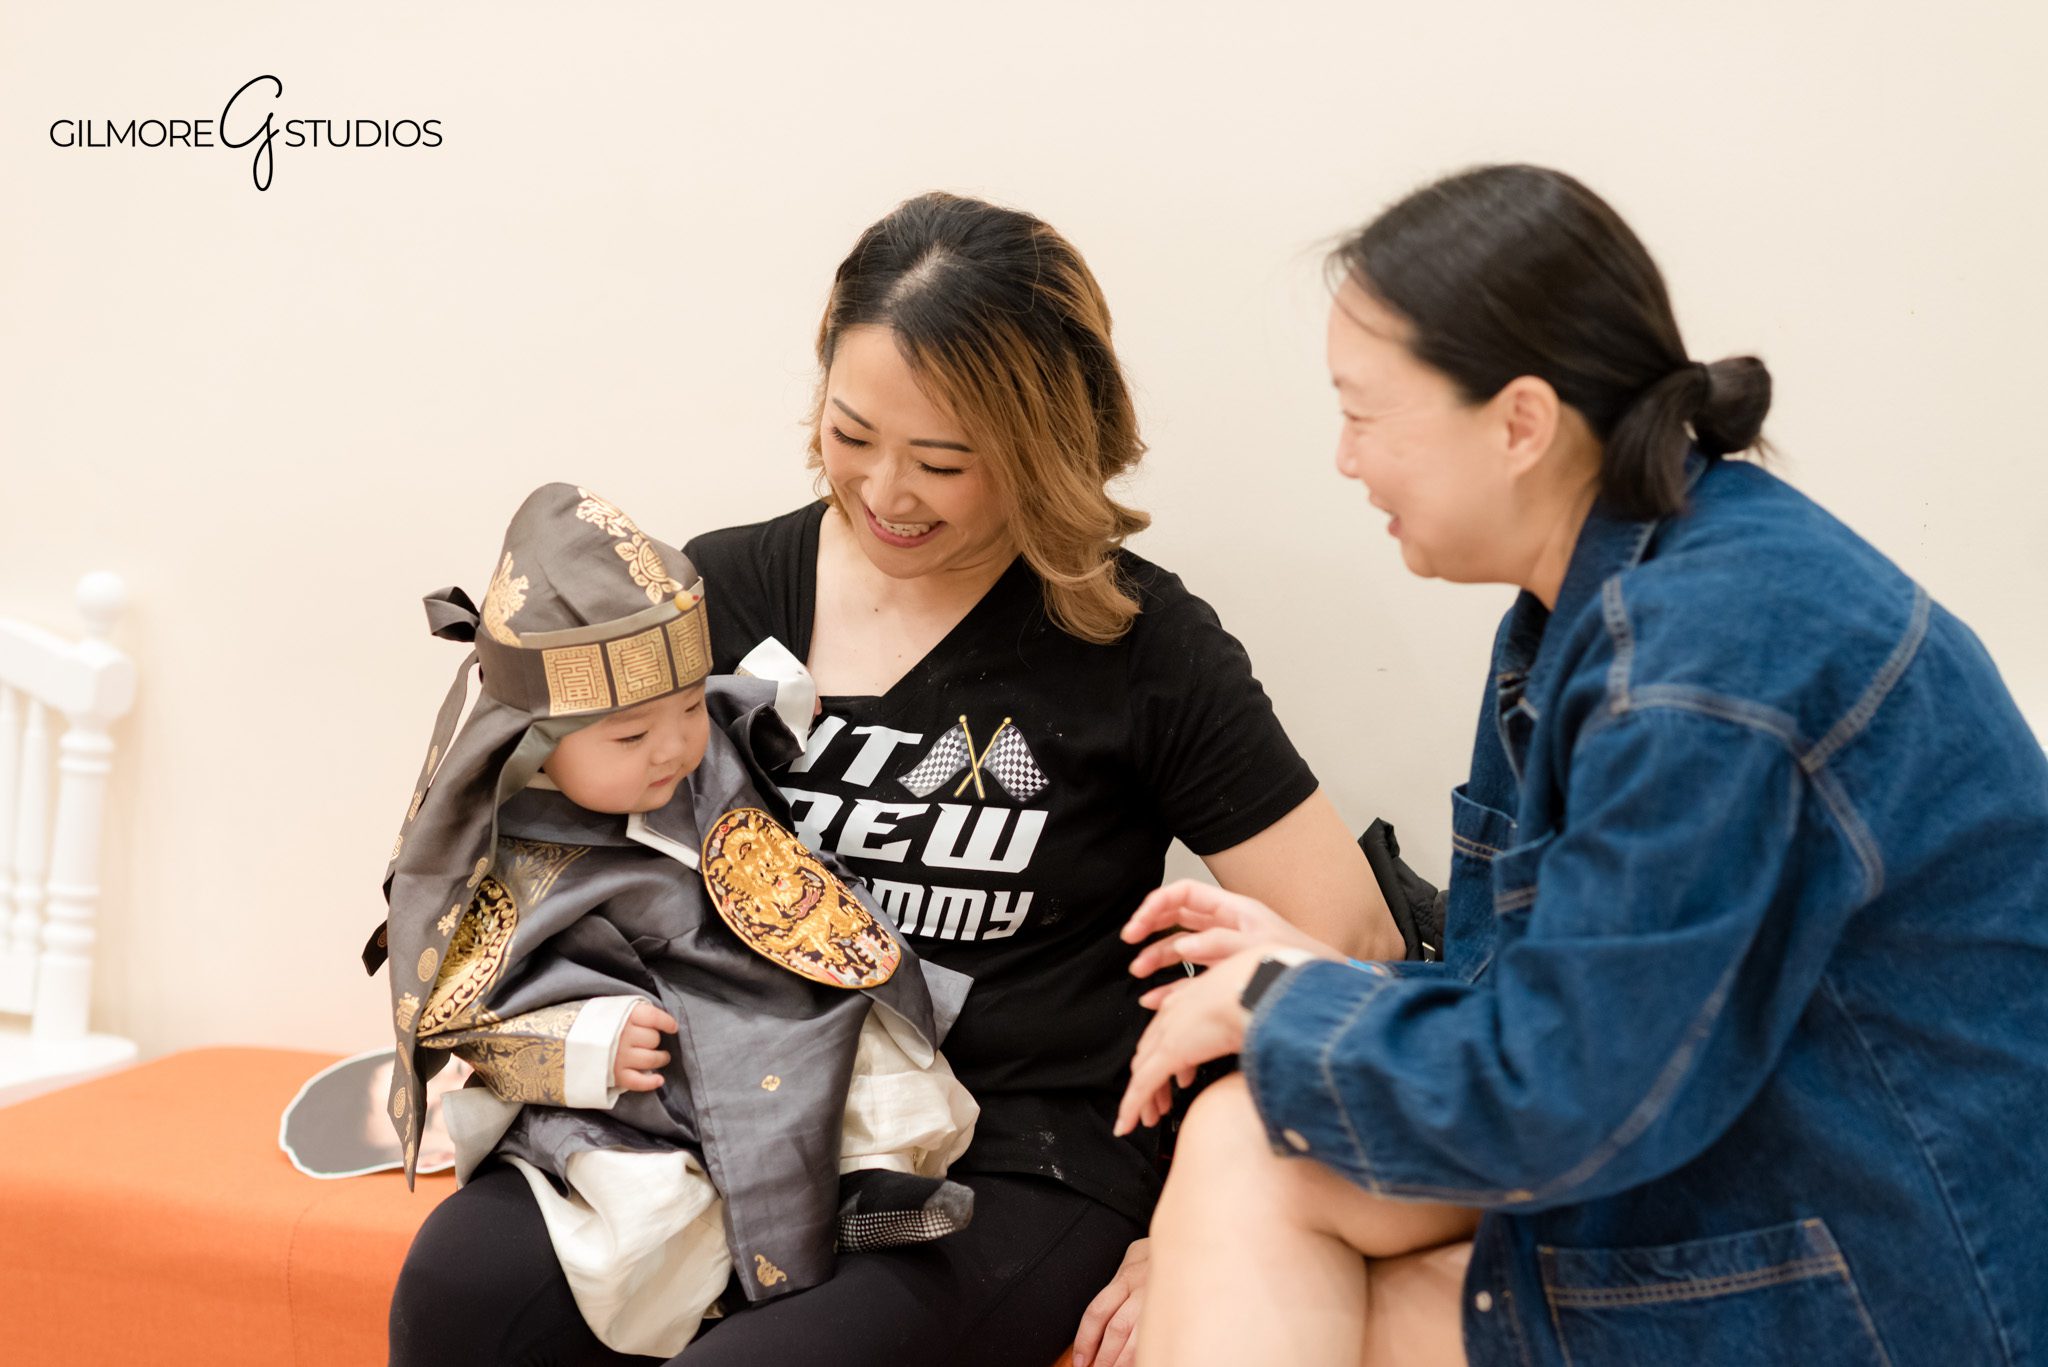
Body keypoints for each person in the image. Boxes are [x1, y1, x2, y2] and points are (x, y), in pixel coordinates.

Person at [1116, 163, 2048, 1367]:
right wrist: (1306, 978)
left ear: (1517, 420)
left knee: (1344, 1270)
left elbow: (1554, 1094)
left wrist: (1288, 1002)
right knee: (1251, 1132)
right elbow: (1556, 1002)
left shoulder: (1700, 666)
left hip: (1892, 1255)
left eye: (1361, 412)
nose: (1344, 461)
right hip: (1730, 1136)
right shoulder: (1597, 603)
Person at [670, 190, 1407, 1367]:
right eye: (851, 433)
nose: (885, 493)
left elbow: (1352, 938)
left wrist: (1204, 1216)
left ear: (1041, 442)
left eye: (944, 460)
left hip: (1024, 1155)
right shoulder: (721, 589)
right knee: (468, 1283)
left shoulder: (1131, 639)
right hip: (756, 1108)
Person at [378, 483, 978, 1362]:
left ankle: (863, 1194)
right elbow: (463, 1005)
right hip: (648, 1080)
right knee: (648, 1204)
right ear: (533, 740)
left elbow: (742, 713)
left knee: (858, 1049)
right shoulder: (504, 857)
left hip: (764, 985)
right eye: (630, 736)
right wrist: (586, 1040)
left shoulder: (683, 749)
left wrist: (763, 703)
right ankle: (764, 1228)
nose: (673, 749)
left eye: (688, 709)